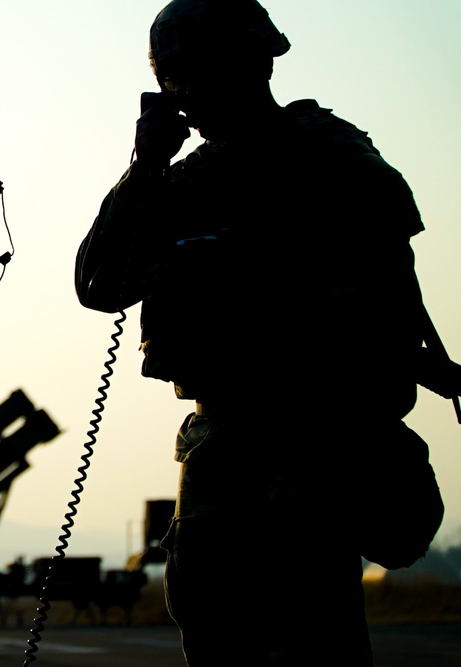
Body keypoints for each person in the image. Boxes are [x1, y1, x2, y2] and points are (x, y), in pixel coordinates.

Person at [74, 1, 444, 665]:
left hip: (310, 454)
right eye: (174, 82)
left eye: (194, 78)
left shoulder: (332, 162)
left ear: (249, 66)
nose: (184, 98)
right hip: (218, 462)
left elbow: (388, 310)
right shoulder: (184, 183)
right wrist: (144, 167)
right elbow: (99, 283)